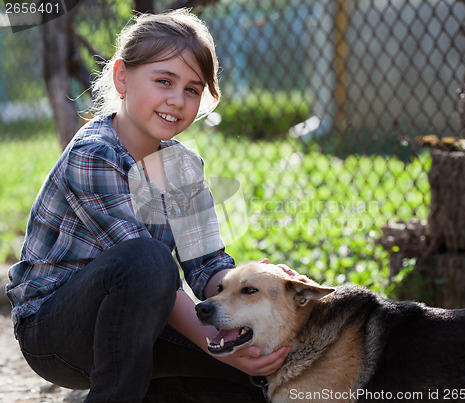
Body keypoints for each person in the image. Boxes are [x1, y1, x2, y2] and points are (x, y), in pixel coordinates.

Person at [5, 9, 289, 402]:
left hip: (139, 326)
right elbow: (148, 271)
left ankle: (156, 390)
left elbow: (207, 265)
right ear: (122, 77)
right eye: (164, 81)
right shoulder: (94, 155)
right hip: (55, 334)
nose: (177, 99)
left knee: (261, 376)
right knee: (148, 259)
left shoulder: (183, 168)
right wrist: (217, 346)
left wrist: (251, 291)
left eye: (192, 89)